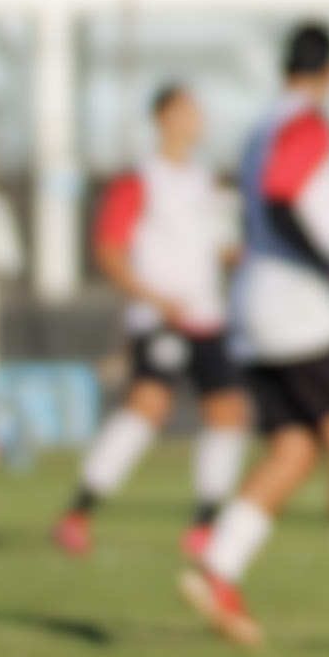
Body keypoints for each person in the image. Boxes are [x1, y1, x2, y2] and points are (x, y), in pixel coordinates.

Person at [179, 23, 329, 646]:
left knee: (295, 448)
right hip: (301, 312)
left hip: (255, 309)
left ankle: (218, 569)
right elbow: (280, 200)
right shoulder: (308, 124)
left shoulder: (262, 127)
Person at [53, 83, 246, 560]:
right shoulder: (138, 179)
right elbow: (109, 251)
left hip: (207, 316)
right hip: (160, 317)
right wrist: (155, 299)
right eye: (187, 110)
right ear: (163, 118)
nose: (197, 118)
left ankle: (205, 523)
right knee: (148, 407)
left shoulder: (206, 181)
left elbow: (222, 248)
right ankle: (78, 513)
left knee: (228, 413)